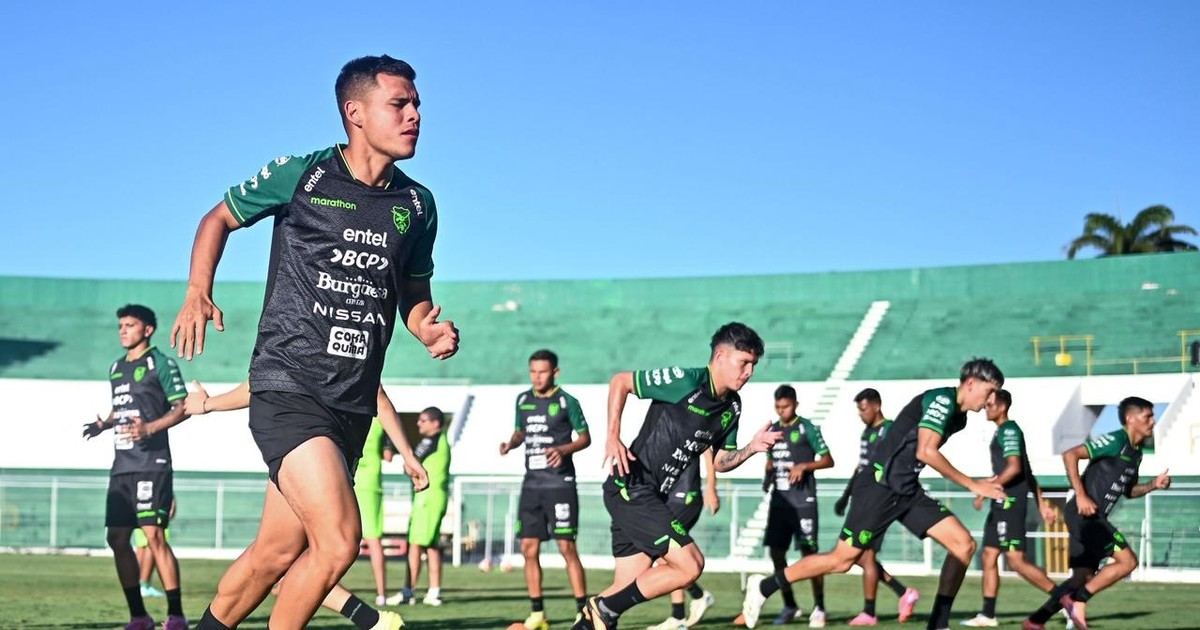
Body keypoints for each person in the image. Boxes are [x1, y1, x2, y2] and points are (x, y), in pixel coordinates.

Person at [170, 54, 459, 630]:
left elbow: (414, 294)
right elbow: (217, 218)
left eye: (417, 104)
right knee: (338, 542)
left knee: (272, 557)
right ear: (355, 112)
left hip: (350, 405)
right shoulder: (302, 175)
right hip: (288, 388)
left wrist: (425, 325)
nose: (415, 115)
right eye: (399, 104)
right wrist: (198, 290)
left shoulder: (418, 205)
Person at [741, 358, 1007, 630]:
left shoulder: (959, 419)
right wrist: (973, 484)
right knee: (842, 561)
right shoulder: (942, 400)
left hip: (906, 490)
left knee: (963, 545)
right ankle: (764, 586)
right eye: (990, 390)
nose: (991, 399)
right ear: (971, 383)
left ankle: (938, 624)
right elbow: (926, 451)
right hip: (879, 487)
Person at [574, 322, 782, 630]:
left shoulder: (732, 407)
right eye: (744, 362)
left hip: (653, 498)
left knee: (624, 589)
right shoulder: (685, 381)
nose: (749, 372)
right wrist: (613, 436)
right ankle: (603, 607)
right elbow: (621, 381)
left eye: (753, 365)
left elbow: (722, 461)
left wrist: (751, 448)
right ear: (721, 356)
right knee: (690, 564)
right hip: (631, 486)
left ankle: (598, 613)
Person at [185, 380, 425, 630]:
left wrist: (407, 455)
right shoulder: (301, 350)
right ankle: (372, 619)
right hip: (303, 435)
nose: (453, 337)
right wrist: (207, 404)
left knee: (275, 555)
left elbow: (376, 392)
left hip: (330, 451)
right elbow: (267, 379)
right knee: (331, 548)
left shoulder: (368, 349)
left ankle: (373, 619)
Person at [81, 304, 192, 630]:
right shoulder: (116, 367)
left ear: (147, 330)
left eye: (130, 325)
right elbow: (122, 406)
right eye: (120, 325)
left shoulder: (161, 363)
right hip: (122, 466)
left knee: (154, 535)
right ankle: (139, 616)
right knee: (117, 538)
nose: (123, 330)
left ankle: (175, 615)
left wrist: (150, 429)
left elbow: (182, 407)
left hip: (152, 464)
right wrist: (104, 424)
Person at [1021, 396, 1170, 630]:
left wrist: (1154, 485)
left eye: (1153, 416)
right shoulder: (1116, 440)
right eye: (1148, 416)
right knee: (1128, 561)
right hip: (1084, 517)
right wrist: (1080, 494)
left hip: (1094, 519)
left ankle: (1035, 621)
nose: (1153, 421)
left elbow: (1129, 491)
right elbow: (1070, 454)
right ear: (1130, 419)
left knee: (1081, 578)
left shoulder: (1136, 453)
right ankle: (1077, 600)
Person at [499, 349, 591, 629]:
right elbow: (520, 432)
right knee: (528, 547)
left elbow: (585, 437)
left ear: (555, 372)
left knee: (566, 547)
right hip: (532, 483)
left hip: (559, 483)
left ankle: (582, 611)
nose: (537, 377)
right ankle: (538, 613)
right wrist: (510, 443)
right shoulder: (523, 400)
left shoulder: (567, 401)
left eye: (542, 371)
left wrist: (564, 449)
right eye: (533, 371)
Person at [960, 389, 1059, 627]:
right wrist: (1042, 503)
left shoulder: (1009, 430)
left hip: (1009, 503)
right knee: (989, 555)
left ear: (1002, 407)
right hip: (1000, 502)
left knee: (1016, 561)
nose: (986, 406)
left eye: (990, 404)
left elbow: (1015, 468)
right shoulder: (1004, 432)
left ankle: (1064, 600)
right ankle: (987, 614)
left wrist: (986, 487)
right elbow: (1027, 470)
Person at [838, 388, 919, 627]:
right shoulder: (867, 433)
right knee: (860, 556)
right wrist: (846, 496)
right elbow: (861, 467)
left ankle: (870, 612)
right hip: (864, 501)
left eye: (863, 409)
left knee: (866, 554)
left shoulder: (890, 430)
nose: (861, 414)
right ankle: (904, 593)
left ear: (876, 406)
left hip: (881, 502)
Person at [761, 385, 834, 628]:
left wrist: (804, 466)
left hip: (804, 502)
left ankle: (820, 606)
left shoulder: (807, 428)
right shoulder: (772, 430)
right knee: (776, 553)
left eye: (786, 406)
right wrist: (767, 475)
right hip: (780, 502)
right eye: (778, 407)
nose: (782, 411)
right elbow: (771, 460)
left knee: (810, 554)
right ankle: (790, 604)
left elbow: (828, 459)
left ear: (795, 404)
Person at [645, 448, 719, 630]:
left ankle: (697, 598)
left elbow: (708, 452)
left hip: (686, 496)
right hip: (669, 498)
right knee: (668, 556)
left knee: (666, 551)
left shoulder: (689, 421)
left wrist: (711, 488)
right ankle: (681, 613)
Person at [399, 406, 453, 606]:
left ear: (435, 424)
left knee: (415, 544)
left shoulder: (431, 441)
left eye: (423, 420)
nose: (418, 423)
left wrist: (408, 464)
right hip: (435, 498)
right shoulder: (442, 441)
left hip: (427, 499)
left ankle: (408, 591)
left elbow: (410, 464)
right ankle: (434, 591)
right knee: (432, 545)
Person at [356, 417, 396, 606]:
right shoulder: (381, 420)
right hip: (371, 483)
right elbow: (388, 456)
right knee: (374, 540)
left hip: (348, 474)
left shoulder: (350, 411)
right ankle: (381, 594)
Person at [134, 498, 177, 598]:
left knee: (143, 546)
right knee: (153, 545)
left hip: (142, 508)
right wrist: (172, 502)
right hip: (153, 509)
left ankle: (140, 585)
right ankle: (143, 585)